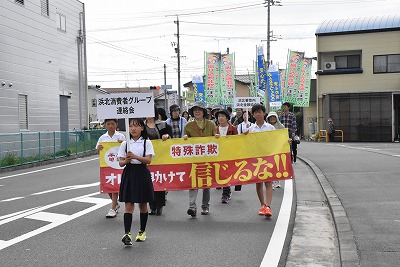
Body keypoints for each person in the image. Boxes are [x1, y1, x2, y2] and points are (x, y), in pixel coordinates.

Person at [118, 118, 155, 245]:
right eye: (131, 126)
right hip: (129, 172)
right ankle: (127, 233)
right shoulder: (125, 144)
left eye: (136, 126)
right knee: (128, 204)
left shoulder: (146, 142)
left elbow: (148, 160)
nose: (133, 128)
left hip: (142, 173)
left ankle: (142, 231)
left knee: (143, 204)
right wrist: (127, 161)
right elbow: (121, 162)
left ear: (142, 128)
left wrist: (135, 157)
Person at [183, 102, 216, 217]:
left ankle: (205, 206)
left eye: (199, 110)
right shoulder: (188, 126)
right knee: (193, 183)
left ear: (204, 112)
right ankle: (192, 206)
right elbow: (184, 145)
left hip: (208, 158)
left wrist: (217, 138)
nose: (197, 112)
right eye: (195, 110)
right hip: (194, 159)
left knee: (206, 184)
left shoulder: (211, 125)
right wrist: (185, 139)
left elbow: (216, 142)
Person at [243, 104, 275, 218]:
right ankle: (262, 205)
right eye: (255, 112)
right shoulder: (250, 129)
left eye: (259, 112)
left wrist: (286, 142)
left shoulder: (270, 128)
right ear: (253, 114)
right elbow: (245, 143)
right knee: (258, 182)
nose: (257, 114)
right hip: (256, 158)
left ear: (264, 113)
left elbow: (277, 140)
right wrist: (244, 136)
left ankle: (268, 206)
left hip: (268, 157)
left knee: (268, 182)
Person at [145, 106, 172, 215]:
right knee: (148, 182)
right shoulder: (140, 125)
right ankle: (152, 206)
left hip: (160, 156)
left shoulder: (162, 124)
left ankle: (159, 205)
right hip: (146, 157)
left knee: (159, 180)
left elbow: (170, 135)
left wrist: (167, 136)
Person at [96, 119, 125, 218]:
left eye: (112, 124)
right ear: (105, 125)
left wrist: (123, 143)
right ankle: (115, 204)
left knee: (115, 186)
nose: (110, 126)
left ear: (116, 124)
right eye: (108, 124)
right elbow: (98, 150)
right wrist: (98, 148)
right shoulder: (102, 137)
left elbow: (126, 148)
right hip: (106, 164)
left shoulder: (121, 136)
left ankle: (113, 208)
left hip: (118, 165)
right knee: (107, 185)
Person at [215, 109, 238, 204]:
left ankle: (226, 193)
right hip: (218, 154)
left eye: (222, 116)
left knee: (227, 173)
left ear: (227, 118)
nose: (220, 118)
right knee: (220, 173)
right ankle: (226, 191)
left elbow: (237, 141)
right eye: (219, 116)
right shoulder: (215, 129)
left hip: (230, 154)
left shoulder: (233, 128)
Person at [266, 112, 285, 189]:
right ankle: (271, 183)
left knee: (277, 165)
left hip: (278, 148)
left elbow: (284, 136)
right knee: (270, 165)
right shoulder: (266, 127)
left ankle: (277, 181)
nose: (272, 119)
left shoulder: (281, 126)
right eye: (271, 117)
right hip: (269, 149)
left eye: (274, 117)